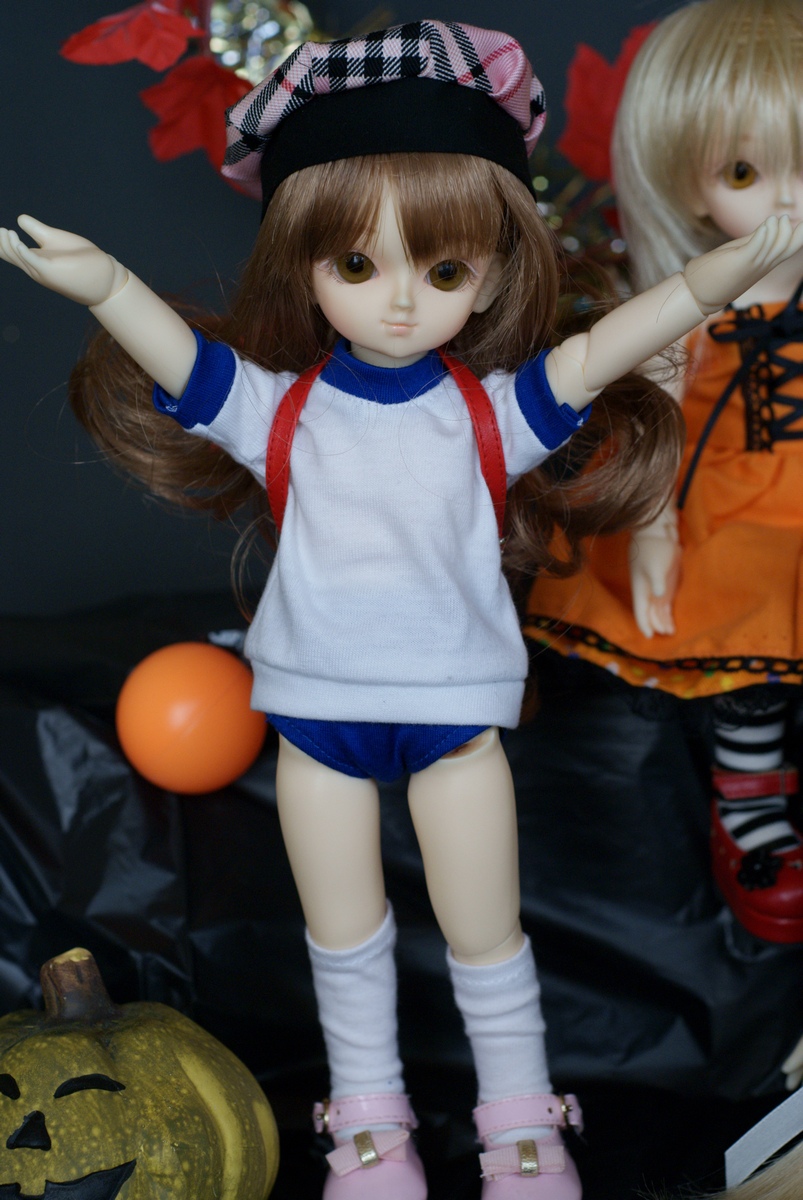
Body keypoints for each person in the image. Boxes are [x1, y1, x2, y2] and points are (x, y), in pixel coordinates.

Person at [2, 19, 801, 1198]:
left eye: (441, 273)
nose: (395, 305)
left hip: (454, 723)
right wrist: (107, 286)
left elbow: (599, 355)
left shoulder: (490, 414)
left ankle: (520, 1123)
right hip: (316, 722)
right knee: (344, 941)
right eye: (355, 267)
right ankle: (367, 1129)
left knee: (487, 937)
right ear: (304, 263)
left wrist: (702, 285)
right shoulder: (280, 412)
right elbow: (183, 362)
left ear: (489, 271)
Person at [526, 0, 803, 949]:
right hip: (731, 504)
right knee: (745, 625)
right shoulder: (686, 315)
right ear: (689, 189)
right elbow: (657, 432)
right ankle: (752, 798)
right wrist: (651, 530)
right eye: (745, 172)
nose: (787, 201)